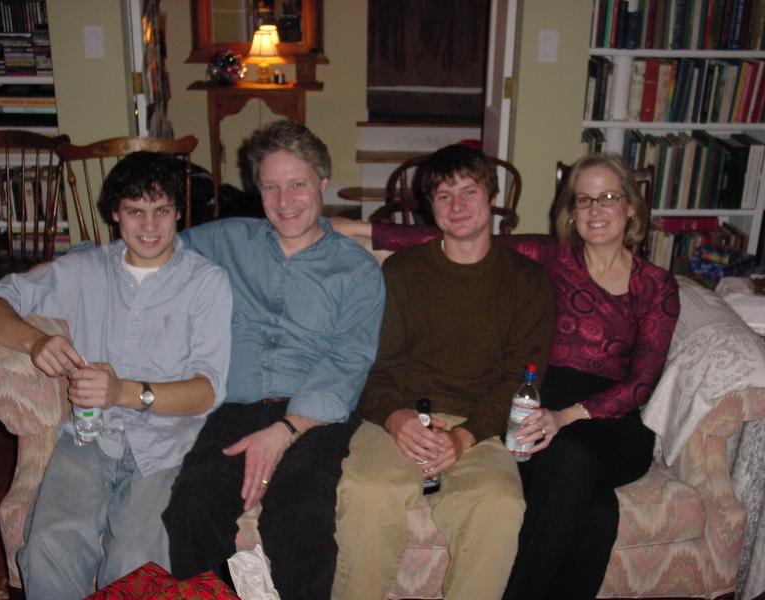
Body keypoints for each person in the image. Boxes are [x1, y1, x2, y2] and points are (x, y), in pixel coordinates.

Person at [334, 151, 681, 600]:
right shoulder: (554, 257)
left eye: (608, 198)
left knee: (554, 470)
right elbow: (456, 234)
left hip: (602, 418)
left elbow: (642, 383)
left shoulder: (653, 283)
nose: (596, 210)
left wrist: (562, 417)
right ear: (571, 210)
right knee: (595, 512)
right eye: (584, 200)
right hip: (533, 404)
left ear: (631, 206)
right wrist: (358, 228)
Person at [0, 152, 232, 599]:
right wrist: (35, 342)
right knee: (49, 546)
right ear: (115, 214)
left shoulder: (207, 283)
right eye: (135, 211)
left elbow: (208, 391)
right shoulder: (83, 270)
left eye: (162, 210)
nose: (150, 225)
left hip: (169, 445)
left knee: (133, 562)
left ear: (178, 213)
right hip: (88, 439)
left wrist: (124, 391)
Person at [162, 119, 385, 600]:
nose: (284, 202)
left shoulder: (356, 270)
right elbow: (150, 247)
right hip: (231, 406)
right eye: (270, 187)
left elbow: (347, 362)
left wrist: (283, 431)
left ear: (323, 183)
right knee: (192, 503)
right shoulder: (225, 241)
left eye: (297, 185)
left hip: (313, 415)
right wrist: (72, 263)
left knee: (301, 513)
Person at [332, 144, 555, 599]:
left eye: (469, 191)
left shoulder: (528, 280)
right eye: (443, 195)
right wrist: (394, 417)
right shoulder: (402, 272)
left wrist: (463, 437)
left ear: (491, 197)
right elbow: (374, 365)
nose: (457, 205)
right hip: (400, 416)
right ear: (430, 207)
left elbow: (521, 382)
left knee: (500, 504)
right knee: (369, 492)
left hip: (481, 426)